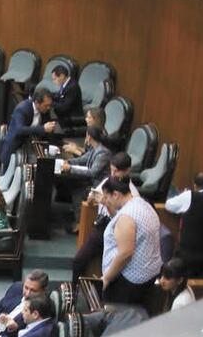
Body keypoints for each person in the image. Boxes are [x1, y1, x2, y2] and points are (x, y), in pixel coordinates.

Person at [72, 151, 137, 280]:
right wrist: (92, 197)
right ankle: (74, 290)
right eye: (112, 170)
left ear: (127, 171)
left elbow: (119, 220)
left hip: (116, 231)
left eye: (117, 171)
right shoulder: (108, 180)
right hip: (101, 224)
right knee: (78, 260)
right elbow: (94, 195)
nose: (113, 175)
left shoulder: (132, 194)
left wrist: (106, 203)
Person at [99, 178, 162, 304]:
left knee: (121, 317)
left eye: (107, 197)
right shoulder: (144, 204)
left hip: (129, 281)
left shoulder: (126, 217)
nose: (106, 201)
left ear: (116, 194)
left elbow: (125, 253)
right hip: (149, 273)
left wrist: (106, 278)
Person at [165, 172, 203, 277]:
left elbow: (168, 205)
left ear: (195, 185)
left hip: (190, 256)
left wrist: (183, 194)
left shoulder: (189, 196)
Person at [57, 125, 111, 233]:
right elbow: (83, 159)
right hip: (92, 181)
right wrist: (68, 162)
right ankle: (78, 219)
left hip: (99, 185)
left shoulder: (103, 153)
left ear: (89, 137)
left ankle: (81, 223)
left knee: (78, 189)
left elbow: (92, 172)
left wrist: (70, 169)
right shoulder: (95, 149)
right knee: (72, 184)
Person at [0, 87, 55, 175]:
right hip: (13, 147)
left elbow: (46, 131)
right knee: (6, 176)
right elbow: (19, 129)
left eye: (50, 105)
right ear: (37, 103)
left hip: (29, 149)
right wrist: (43, 128)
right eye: (46, 105)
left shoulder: (45, 111)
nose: (48, 108)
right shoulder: (22, 108)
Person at [0, 269, 50, 337]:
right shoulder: (16, 289)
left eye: (33, 290)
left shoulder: (43, 309)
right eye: (26, 288)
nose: (27, 293)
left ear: (43, 291)